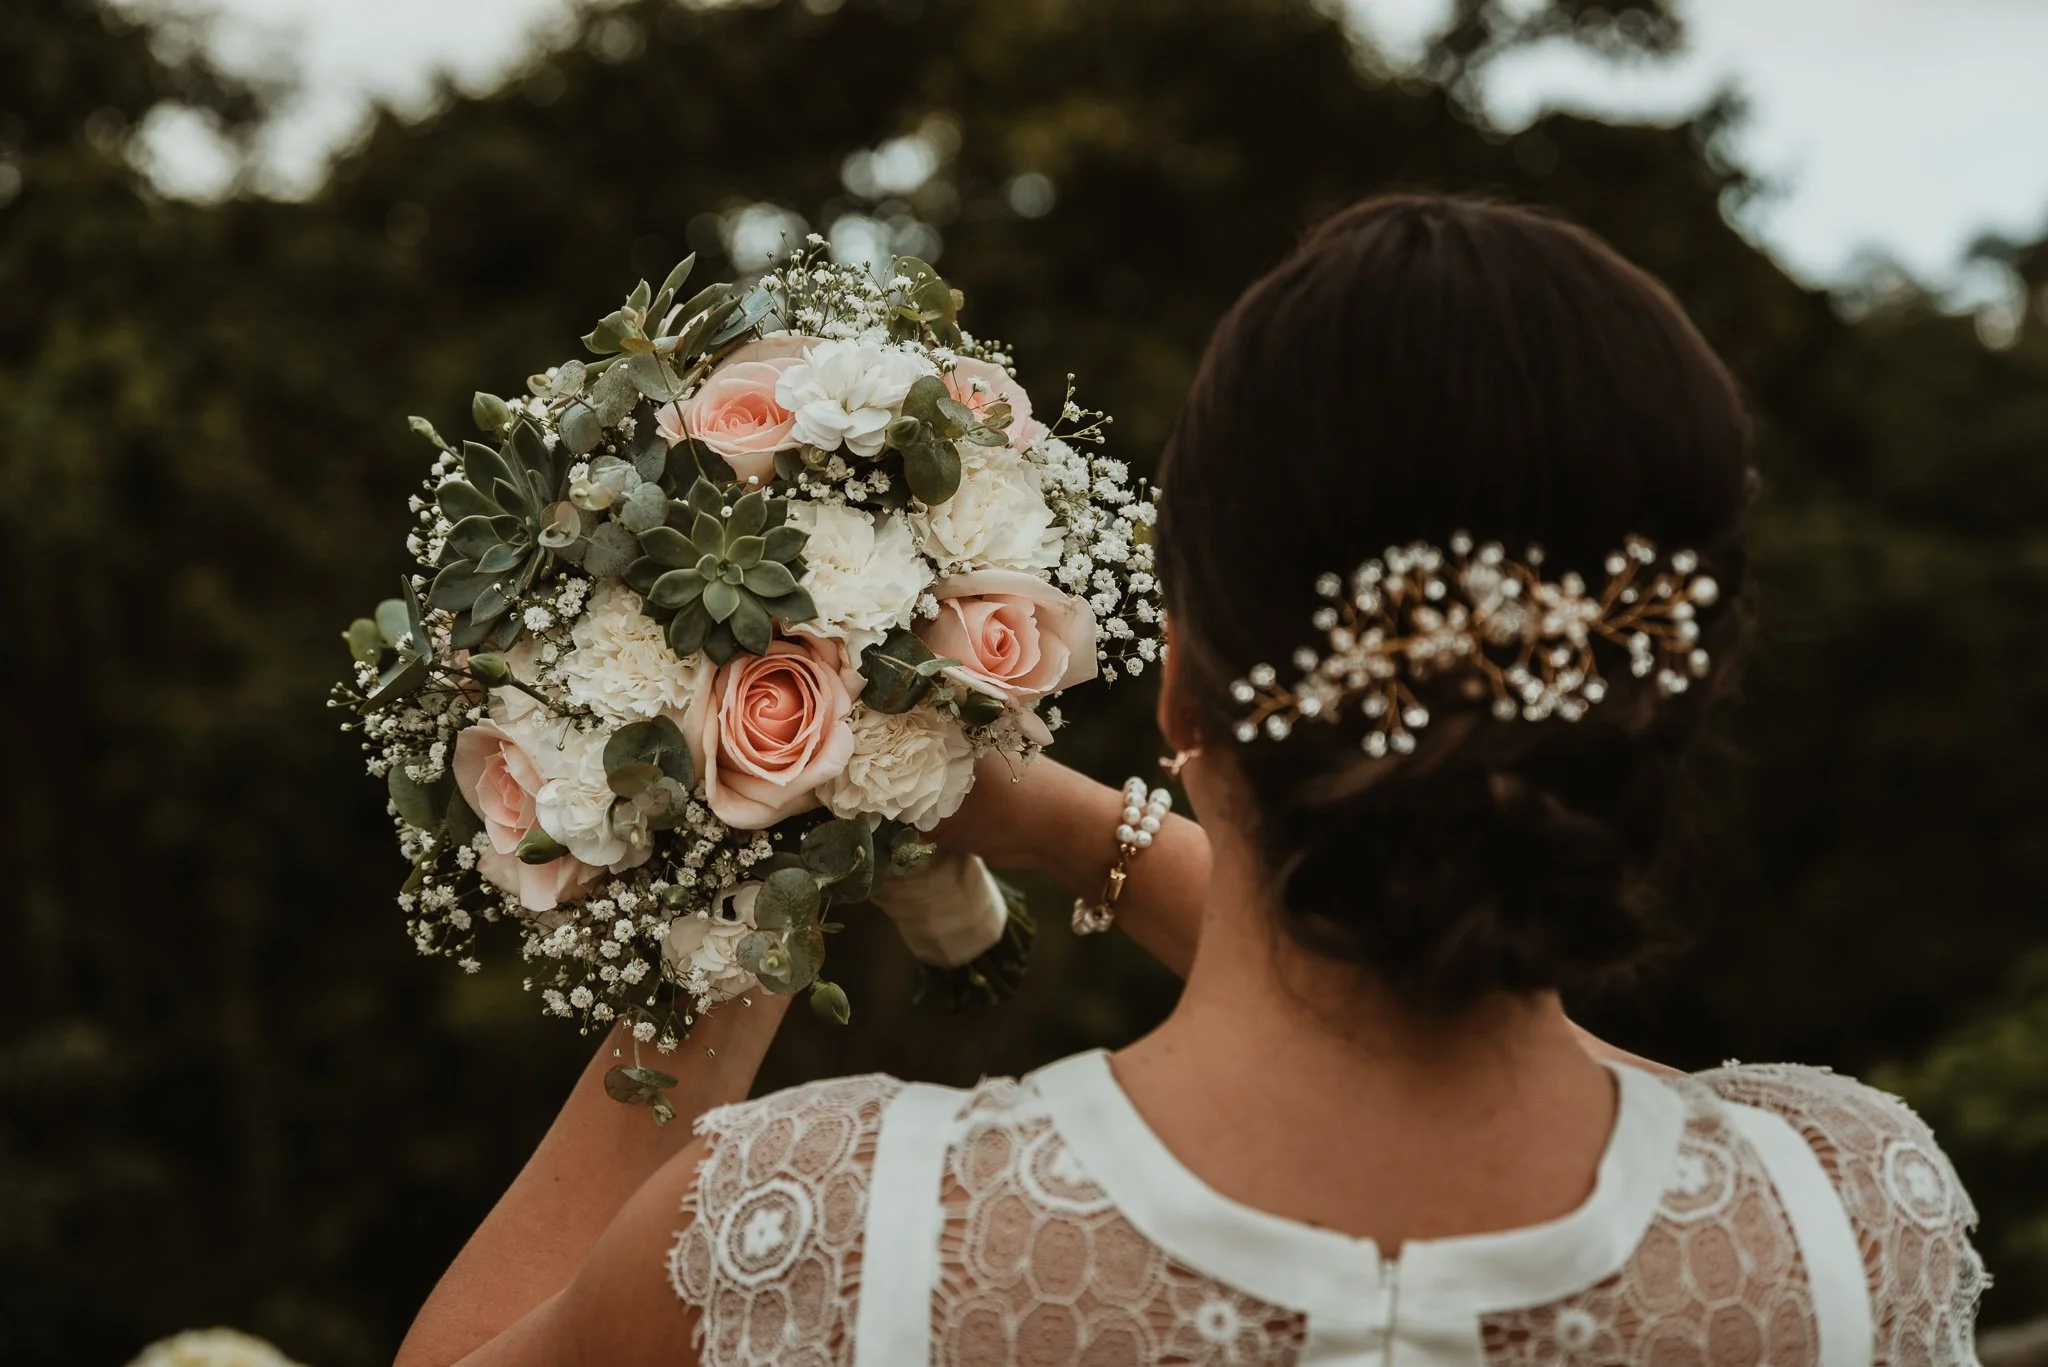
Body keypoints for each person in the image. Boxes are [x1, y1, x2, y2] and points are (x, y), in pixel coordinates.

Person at [395, 195, 1985, 1367]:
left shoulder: (837, 1236)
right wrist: (1048, 819)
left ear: (1182, 685)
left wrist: (743, 879)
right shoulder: (1852, 1227)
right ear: (1673, 696)